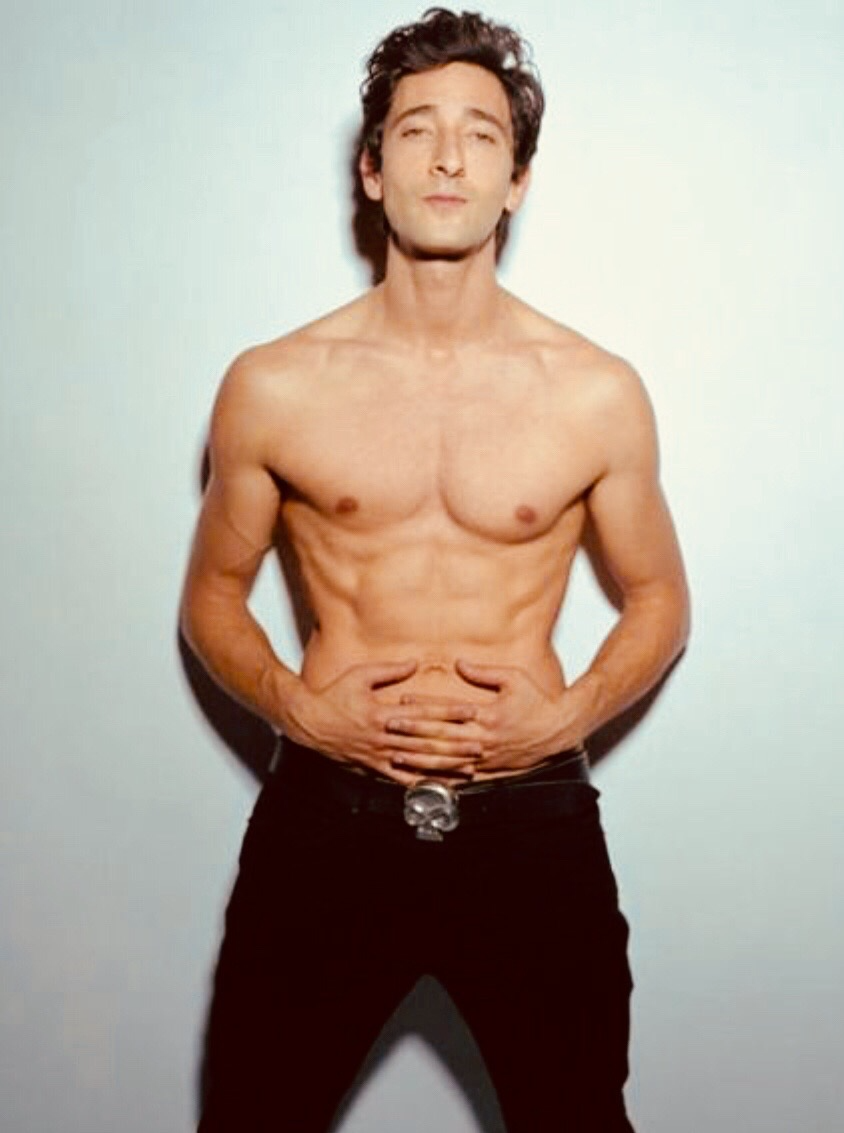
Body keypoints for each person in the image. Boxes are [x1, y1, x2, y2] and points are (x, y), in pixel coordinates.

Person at [180, 8, 690, 1131]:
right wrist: (298, 709)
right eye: (416, 130)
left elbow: (660, 597)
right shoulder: (273, 385)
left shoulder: (595, 392)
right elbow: (212, 596)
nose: (449, 157)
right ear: (372, 170)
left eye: (481, 135)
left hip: (531, 817)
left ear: (517, 181)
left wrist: (565, 716)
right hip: (327, 815)